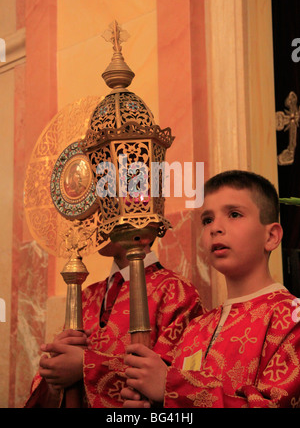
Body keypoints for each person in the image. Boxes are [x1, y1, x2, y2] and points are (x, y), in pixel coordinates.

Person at [121, 170, 300, 408]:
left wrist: (172, 388)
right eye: (207, 220)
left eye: (234, 214)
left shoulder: (292, 318)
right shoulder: (196, 329)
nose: (216, 227)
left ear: (271, 236)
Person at [24, 239, 204, 408]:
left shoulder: (176, 291)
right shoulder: (87, 295)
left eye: (107, 210)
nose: (96, 222)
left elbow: (176, 384)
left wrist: (86, 366)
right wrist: (54, 379)